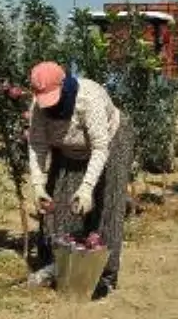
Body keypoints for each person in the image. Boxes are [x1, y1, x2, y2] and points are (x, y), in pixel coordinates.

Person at [26, 61, 135, 295]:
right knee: (62, 207)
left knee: (107, 205)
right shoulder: (39, 105)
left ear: (65, 86)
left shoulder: (89, 98)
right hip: (69, 148)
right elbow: (36, 144)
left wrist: (86, 187)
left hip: (110, 142)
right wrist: (37, 184)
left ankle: (105, 275)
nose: (50, 105)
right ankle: (58, 265)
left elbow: (99, 147)